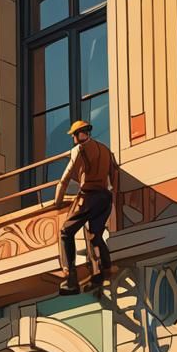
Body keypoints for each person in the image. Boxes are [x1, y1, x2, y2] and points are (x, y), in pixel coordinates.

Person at [53, 119, 118, 294]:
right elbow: (114, 173)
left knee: (66, 232)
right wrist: (113, 198)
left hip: (88, 196)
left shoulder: (78, 150)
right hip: (105, 197)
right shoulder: (105, 149)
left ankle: (71, 279)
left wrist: (57, 202)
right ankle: (104, 269)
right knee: (94, 235)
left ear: (77, 135)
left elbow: (65, 179)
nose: (73, 138)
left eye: (73, 135)